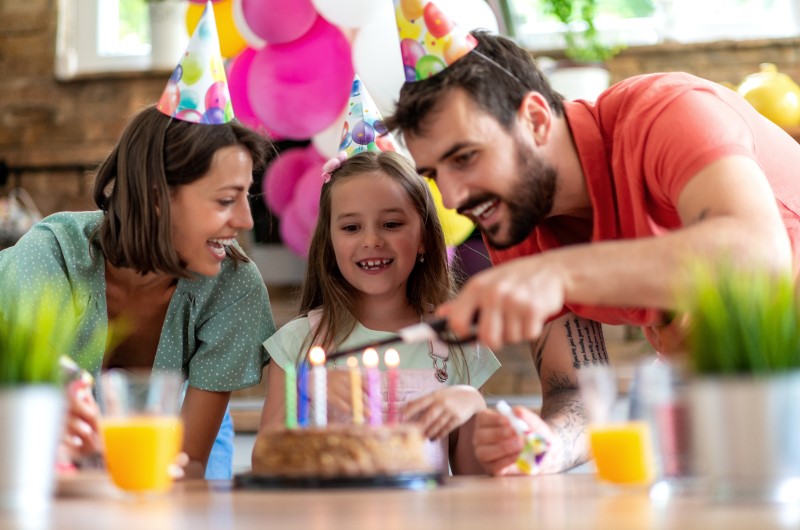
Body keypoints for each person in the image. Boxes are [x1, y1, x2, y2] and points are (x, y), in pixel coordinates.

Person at [385, 30, 800, 475]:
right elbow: (577, 393)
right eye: (434, 174)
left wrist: (557, 274)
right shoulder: (517, 220)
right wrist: (544, 447)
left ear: (536, 120)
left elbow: (758, 257)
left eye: (465, 157)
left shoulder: (670, 112)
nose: (450, 198)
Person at [0, 105, 276, 479]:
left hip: (171, 434)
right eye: (226, 200)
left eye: (246, 197)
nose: (244, 220)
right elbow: (31, 439)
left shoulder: (235, 284)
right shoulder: (50, 257)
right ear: (156, 196)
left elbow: (186, 464)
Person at [257, 151, 500, 474]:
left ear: (425, 238)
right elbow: (264, 463)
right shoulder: (298, 344)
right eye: (351, 227)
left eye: (391, 224)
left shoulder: (458, 343)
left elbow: (476, 489)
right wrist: (306, 388)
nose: (372, 240)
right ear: (329, 242)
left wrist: (472, 404)